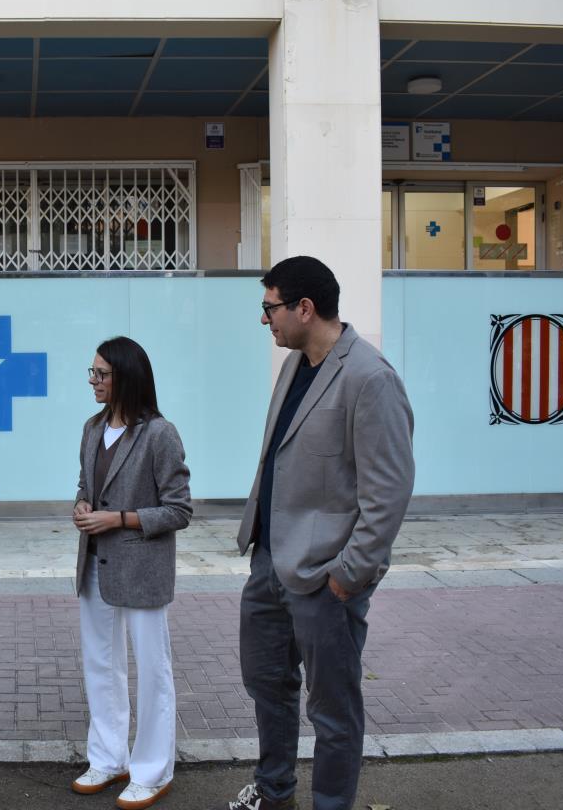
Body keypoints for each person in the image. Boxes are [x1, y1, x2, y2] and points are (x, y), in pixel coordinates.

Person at [221, 256, 414, 810]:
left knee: (332, 710)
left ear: (305, 308)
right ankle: (273, 791)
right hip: (269, 561)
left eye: (270, 308)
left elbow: (388, 492)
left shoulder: (370, 378)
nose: (265, 319)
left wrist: (349, 575)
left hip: (326, 577)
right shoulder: (294, 365)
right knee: (267, 685)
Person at [71, 337, 192, 810]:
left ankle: (152, 772)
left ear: (126, 377)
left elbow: (179, 510)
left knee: (152, 671)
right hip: (94, 562)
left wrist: (119, 519)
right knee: (100, 665)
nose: (93, 381)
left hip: (142, 568)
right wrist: (82, 506)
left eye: (101, 373)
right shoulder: (91, 427)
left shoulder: (159, 434)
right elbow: (86, 486)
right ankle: (108, 758)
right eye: (92, 372)